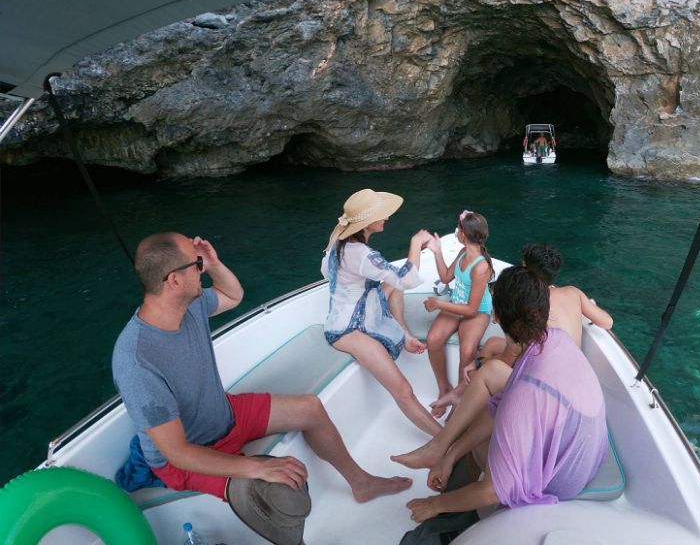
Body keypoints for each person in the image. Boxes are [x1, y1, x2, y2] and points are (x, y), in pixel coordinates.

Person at [111, 232, 410, 515]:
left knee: (311, 408)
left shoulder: (190, 305)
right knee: (274, 495)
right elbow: (177, 452)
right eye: (197, 263)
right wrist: (256, 467)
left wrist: (213, 264)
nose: (201, 270)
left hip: (223, 415)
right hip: (188, 456)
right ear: (174, 280)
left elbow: (233, 294)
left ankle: (362, 483)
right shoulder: (136, 360)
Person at [404, 265, 607, 523]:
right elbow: (504, 402)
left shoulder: (524, 393)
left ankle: (453, 505)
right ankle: (441, 448)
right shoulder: (555, 338)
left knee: (478, 441)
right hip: (583, 451)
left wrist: (434, 505)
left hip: (563, 480)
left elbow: (493, 491)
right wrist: (451, 453)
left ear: (496, 316)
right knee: (491, 372)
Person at [322, 189, 442, 436]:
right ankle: (445, 441)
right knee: (403, 390)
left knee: (393, 288)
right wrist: (416, 243)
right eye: (382, 214)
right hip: (347, 330)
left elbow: (328, 272)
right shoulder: (363, 255)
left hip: (353, 311)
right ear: (368, 223)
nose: (387, 217)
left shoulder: (338, 243)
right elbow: (408, 279)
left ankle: (405, 334)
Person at [422, 210, 494, 417]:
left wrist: (438, 304)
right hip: (457, 305)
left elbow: (472, 309)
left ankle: (460, 398)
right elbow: (445, 277)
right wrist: (436, 252)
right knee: (433, 338)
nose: (456, 231)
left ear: (463, 234)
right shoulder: (463, 253)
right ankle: (445, 388)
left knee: (467, 350)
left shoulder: (481, 267)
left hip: (477, 311)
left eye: (458, 228)